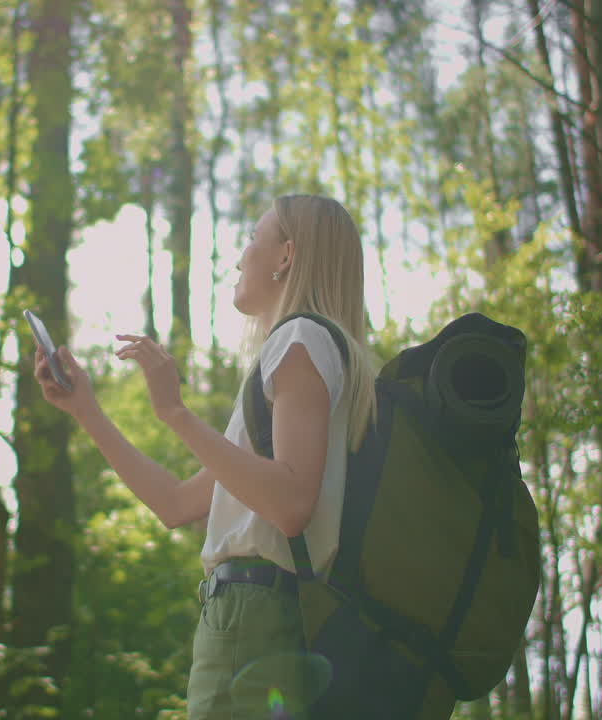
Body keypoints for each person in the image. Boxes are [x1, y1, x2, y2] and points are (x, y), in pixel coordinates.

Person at [33, 194, 379, 719]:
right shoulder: (300, 354)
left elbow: (289, 504)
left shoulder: (301, 338)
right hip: (251, 616)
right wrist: (86, 409)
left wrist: (173, 410)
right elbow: (174, 503)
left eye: (251, 240)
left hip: (253, 616)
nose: (240, 257)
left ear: (286, 256)